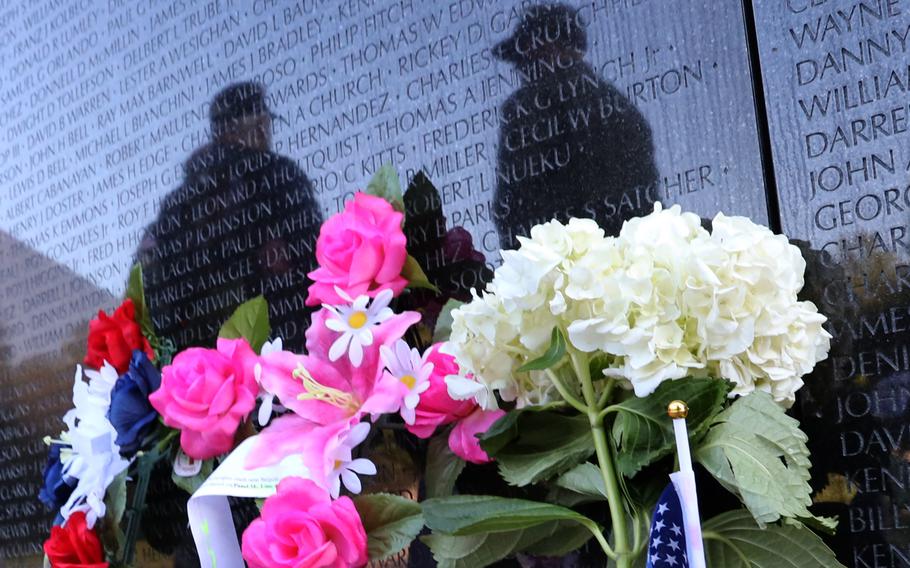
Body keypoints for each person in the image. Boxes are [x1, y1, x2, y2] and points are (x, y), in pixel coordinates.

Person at [137, 82, 322, 354]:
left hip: (220, 354)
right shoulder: (280, 175)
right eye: (259, 123)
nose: (264, 131)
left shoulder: (181, 199)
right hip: (274, 346)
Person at [493, 3, 659, 247]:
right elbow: (507, 209)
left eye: (524, 56)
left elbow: (507, 207)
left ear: (552, 47)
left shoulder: (521, 109)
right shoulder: (620, 106)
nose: (521, 67)